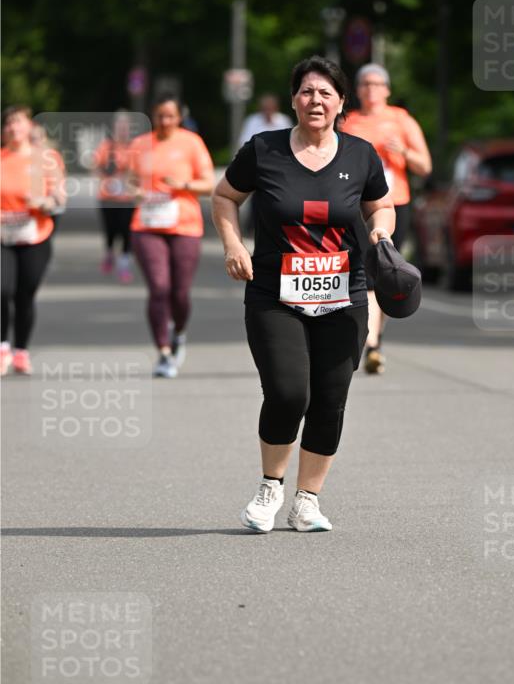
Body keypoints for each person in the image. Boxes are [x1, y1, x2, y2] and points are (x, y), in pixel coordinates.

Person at [212, 55, 395, 534]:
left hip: (345, 292)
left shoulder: (360, 154)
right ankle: (270, 487)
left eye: (325, 93)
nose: (316, 100)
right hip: (275, 292)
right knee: (289, 392)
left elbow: (383, 206)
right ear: (294, 99)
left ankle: (307, 500)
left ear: (340, 103)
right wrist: (233, 244)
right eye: (307, 91)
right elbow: (225, 196)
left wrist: (380, 235)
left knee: (330, 399)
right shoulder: (264, 149)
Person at [340, 63, 431, 374]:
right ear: (358, 90)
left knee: (386, 273)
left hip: (394, 204)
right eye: (365, 84)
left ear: (387, 89)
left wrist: (403, 151)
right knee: (365, 276)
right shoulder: (348, 122)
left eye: (377, 84)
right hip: (358, 207)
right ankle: (373, 344)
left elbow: (425, 166)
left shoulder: (401, 120)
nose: (370, 89)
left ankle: (374, 338)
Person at [127, 95, 214, 378]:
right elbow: (128, 180)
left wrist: (183, 185)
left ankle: (179, 331)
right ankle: (163, 352)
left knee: (179, 292)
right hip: (147, 225)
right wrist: (135, 191)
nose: (164, 121)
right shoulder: (140, 145)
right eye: (160, 115)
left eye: (170, 116)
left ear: (179, 117)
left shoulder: (191, 143)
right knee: (159, 287)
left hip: (184, 226)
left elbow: (209, 184)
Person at [1, 105, 66, 376]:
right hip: (3, 237)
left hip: (35, 235)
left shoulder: (47, 159)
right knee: (2, 290)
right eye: (8, 124)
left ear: (29, 126)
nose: (13, 128)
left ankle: (21, 352)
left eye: (18, 122)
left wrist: (42, 203)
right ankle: (3, 347)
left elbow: (60, 198)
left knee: (24, 294)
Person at [93, 110, 135, 282]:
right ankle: (109, 253)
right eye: (120, 125)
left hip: (127, 199)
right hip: (107, 198)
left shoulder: (135, 146)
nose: (123, 129)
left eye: (126, 126)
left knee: (126, 232)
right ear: (114, 127)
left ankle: (124, 265)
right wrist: (106, 181)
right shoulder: (106, 146)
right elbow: (95, 167)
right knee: (110, 231)